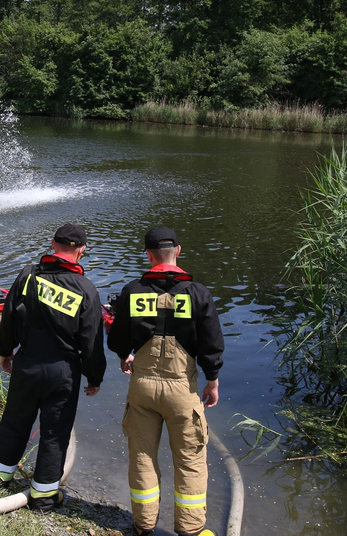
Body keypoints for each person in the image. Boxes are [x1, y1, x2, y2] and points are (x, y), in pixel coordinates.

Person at [107, 227, 224, 536]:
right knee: (190, 460)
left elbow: (118, 338)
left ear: (148, 255)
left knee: (142, 458)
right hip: (182, 389)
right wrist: (212, 380)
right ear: (179, 252)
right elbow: (212, 344)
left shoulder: (133, 291)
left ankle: (143, 526)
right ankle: (191, 531)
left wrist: (124, 355)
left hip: (143, 386)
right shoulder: (198, 293)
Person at [0, 223, 107, 514]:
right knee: (55, 432)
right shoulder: (86, 289)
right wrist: (95, 376)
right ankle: (43, 497)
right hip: (64, 370)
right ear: (82, 251)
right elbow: (91, 341)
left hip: (27, 363)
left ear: (53, 244)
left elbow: (9, 318)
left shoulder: (28, 276)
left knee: (15, 420)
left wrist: (6, 353)